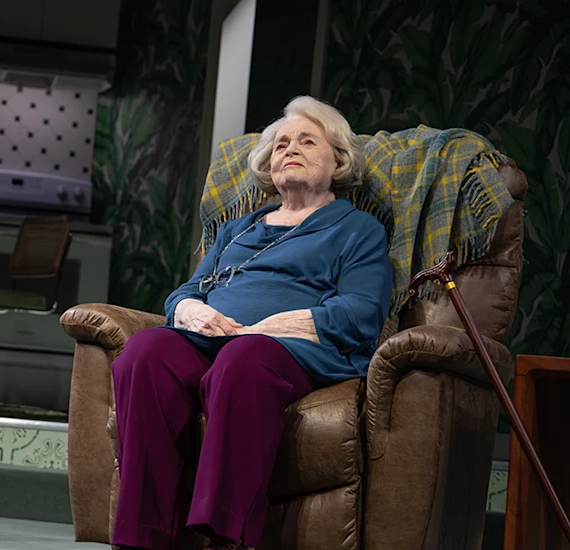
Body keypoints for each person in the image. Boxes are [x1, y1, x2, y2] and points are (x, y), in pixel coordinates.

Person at [109, 96, 392, 550]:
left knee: (241, 361)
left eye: (306, 141)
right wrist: (190, 311)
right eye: (281, 144)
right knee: (142, 354)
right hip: (212, 337)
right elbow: (187, 290)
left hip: (286, 350)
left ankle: (226, 534)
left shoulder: (357, 229)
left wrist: (274, 326)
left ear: (338, 160)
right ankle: (144, 536)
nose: (289, 149)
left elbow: (361, 312)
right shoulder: (237, 229)